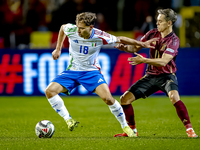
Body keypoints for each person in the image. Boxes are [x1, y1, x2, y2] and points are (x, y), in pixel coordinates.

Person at [45, 12, 157, 137]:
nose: (78, 31)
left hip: (91, 72)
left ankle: (125, 126)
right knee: (50, 91)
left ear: (91, 27)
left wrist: (142, 44)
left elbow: (120, 38)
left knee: (108, 99)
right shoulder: (72, 29)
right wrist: (58, 48)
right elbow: (62, 28)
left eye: (82, 28)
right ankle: (68, 119)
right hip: (72, 70)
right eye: (77, 27)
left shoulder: (99, 35)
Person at [114, 8, 198, 138]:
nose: (157, 23)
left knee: (174, 97)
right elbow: (135, 47)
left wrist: (144, 60)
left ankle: (190, 130)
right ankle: (132, 132)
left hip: (166, 76)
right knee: (124, 99)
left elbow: (164, 61)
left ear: (169, 23)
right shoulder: (152, 33)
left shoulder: (173, 40)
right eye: (157, 21)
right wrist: (125, 48)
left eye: (160, 21)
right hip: (151, 76)